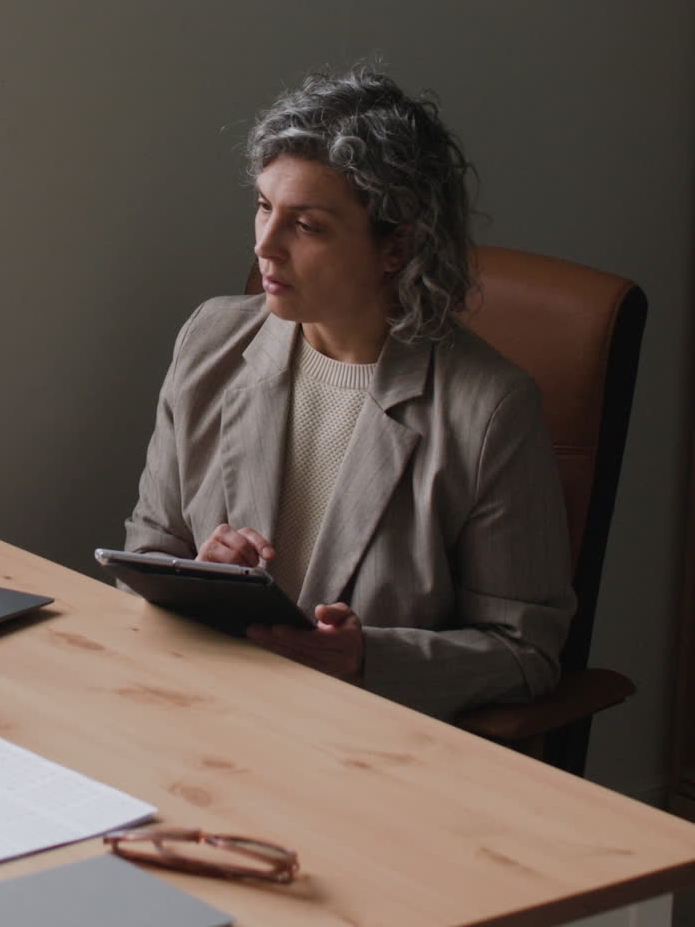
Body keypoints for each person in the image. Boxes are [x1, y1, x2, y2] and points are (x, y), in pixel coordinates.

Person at [125, 63, 575, 720]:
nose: (265, 248)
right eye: (262, 207)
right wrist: (201, 574)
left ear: (397, 246)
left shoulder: (489, 410)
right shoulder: (209, 342)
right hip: (208, 713)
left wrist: (367, 660)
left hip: (365, 746)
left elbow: (525, 651)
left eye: (306, 225)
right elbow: (148, 554)